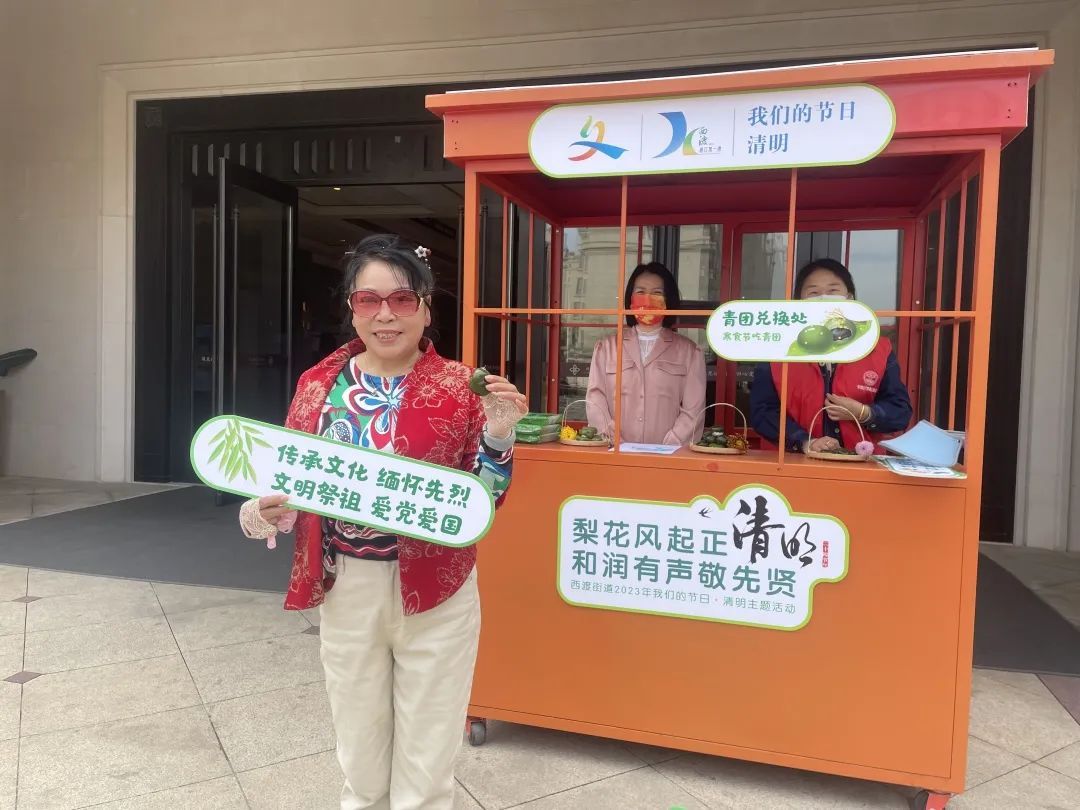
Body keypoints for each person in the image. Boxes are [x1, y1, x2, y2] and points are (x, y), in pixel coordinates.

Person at [237, 235, 527, 810]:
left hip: (439, 591)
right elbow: (289, 482)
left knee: (427, 768)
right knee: (362, 759)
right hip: (348, 586)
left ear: (426, 308)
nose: (385, 315)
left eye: (402, 299)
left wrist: (499, 434)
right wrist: (261, 512)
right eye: (369, 300)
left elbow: (483, 501)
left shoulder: (460, 387)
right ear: (352, 309)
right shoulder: (319, 385)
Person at [749, 258, 912, 453]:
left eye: (833, 290)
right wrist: (804, 441)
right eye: (813, 292)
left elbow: (900, 411)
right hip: (792, 462)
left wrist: (864, 413)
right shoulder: (777, 349)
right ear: (799, 301)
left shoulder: (877, 349)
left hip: (861, 463)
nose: (823, 297)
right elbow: (762, 411)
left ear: (849, 297)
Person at [585, 262, 706, 445]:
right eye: (640, 292)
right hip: (615, 452)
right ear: (630, 298)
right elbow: (595, 400)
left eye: (657, 293)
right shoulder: (606, 348)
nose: (648, 299)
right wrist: (616, 442)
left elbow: (694, 411)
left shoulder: (690, 353)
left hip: (668, 456)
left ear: (668, 300)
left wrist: (667, 448)